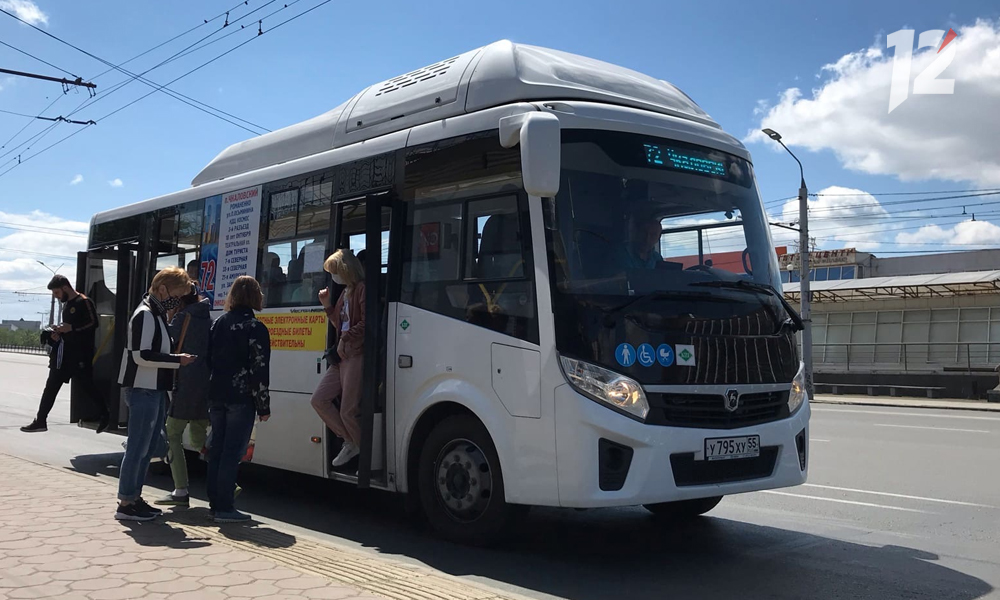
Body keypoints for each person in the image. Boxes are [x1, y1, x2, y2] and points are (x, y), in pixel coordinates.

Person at [115, 267, 196, 521]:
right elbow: (142, 355)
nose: (178, 299)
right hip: (143, 389)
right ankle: (127, 502)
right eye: (177, 293)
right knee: (139, 447)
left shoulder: (156, 314)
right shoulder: (146, 315)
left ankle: (133, 499)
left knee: (147, 447)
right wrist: (177, 360)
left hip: (153, 389)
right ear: (163, 289)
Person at [206, 276, 271, 523]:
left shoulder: (219, 323)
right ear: (255, 297)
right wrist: (263, 406)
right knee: (233, 452)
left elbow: (208, 360)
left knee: (217, 450)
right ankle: (225, 507)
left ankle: (214, 504)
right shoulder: (255, 328)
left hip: (217, 394)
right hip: (241, 398)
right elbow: (259, 369)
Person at [21, 275, 109, 434]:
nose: (56, 296)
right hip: (64, 355)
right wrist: (58, 333)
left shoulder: (84, 302)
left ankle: (105, 415)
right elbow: (68, 327)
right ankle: (41, 420)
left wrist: (71, 328)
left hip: (80, 355)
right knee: (51, 387)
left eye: (56, 293)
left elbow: (93, 323)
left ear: (65, 288)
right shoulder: (67, 304)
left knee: (88, 387)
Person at [155, 285, 212, 508]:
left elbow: (164, 343)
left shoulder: (182, 318)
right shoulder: (208, 318)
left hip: (184, 383)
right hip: (205, 385)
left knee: (172, 434)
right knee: (198, 439)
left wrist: (169, 318)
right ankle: (229, 484)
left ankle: (180, 490)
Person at [310, 249, 365, 469]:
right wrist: (327, 305)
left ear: (345, 270)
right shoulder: (346, 292)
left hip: (355, 354)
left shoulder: (362, 289)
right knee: (319, 400)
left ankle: (361, 450)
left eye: (334, 272)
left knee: (347, 410)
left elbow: (366, 324)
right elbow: (339, 323)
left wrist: (345, 339)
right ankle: (350, 441)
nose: (333, 277)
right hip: (342, 355)